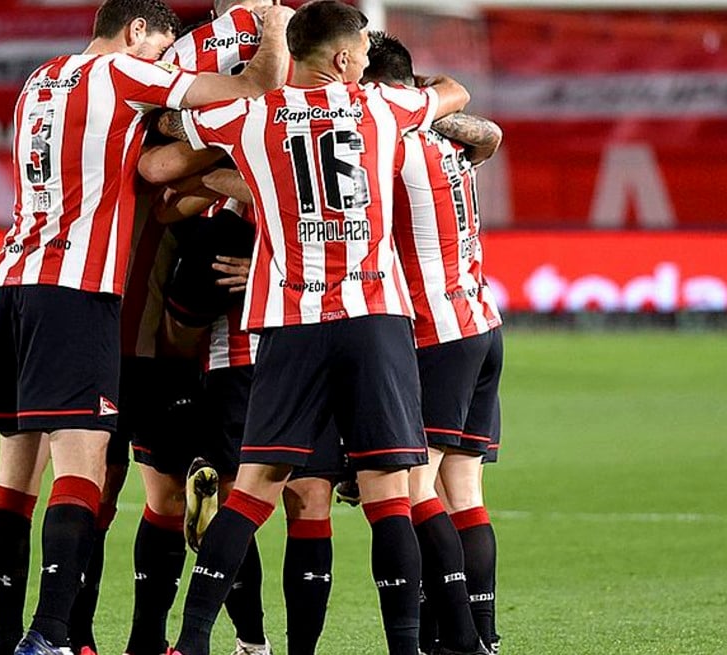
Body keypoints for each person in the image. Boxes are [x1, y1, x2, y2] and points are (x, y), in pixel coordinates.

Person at [153, 2, 471, 653]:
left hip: (292, 321)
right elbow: (454, 94)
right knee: (389, 498)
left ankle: (188, 644)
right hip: (373, 320)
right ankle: (406, 647)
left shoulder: (253, 115)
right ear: (345, 58)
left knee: (252, 491)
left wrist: (251, 185)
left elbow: (169, 135)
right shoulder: (382, 107)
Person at [0, 1, 293, 653]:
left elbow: (151, 169)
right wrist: (271, 26)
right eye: (158, 47)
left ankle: (17, 638)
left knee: (18, 475)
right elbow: (250, 86)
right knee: (85, 473)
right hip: (79, 293)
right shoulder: (124, 75)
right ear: (135, 33)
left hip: (12, 281)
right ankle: (53, 635)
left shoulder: (39, 79)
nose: (161, 61)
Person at [361, 32, 506, 655]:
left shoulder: (383, 147)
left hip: (433, 332)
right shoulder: (447, 141)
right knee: (463, 492)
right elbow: (491, 135)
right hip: (480, 321)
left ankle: (462, 640)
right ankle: (483, 635)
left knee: (418, 490)